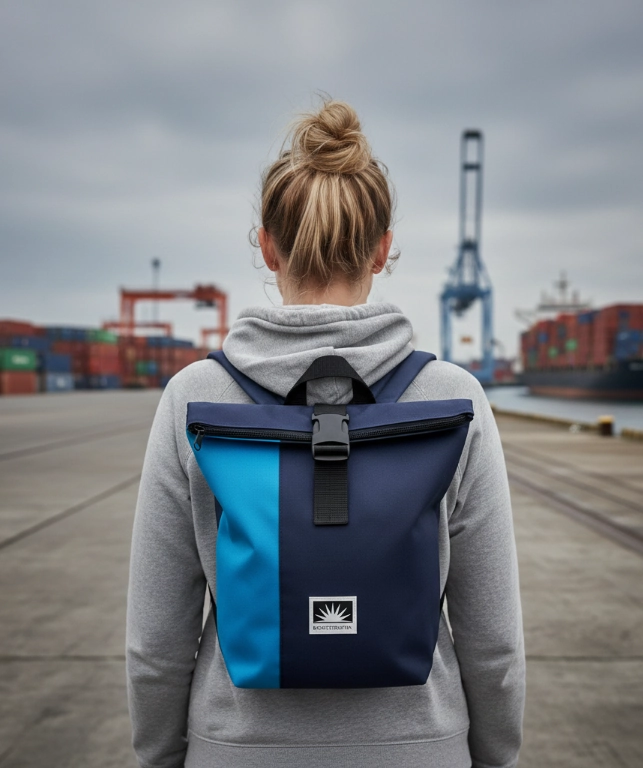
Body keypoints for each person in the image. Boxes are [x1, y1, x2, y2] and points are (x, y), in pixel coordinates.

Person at [126, 99, 525, 768]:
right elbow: (494, 642)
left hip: (238, 751)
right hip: (419, 750)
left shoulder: (194, 398)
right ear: (381, 248)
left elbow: (155, 644)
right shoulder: (452, 399)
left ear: (267, 245)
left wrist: (162, 758)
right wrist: (493, 758)